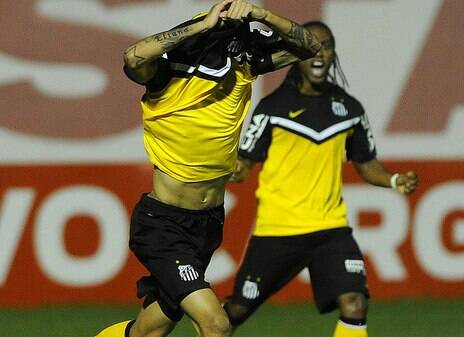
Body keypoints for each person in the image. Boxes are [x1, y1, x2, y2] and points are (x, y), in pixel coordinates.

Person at [94, 1, 321, 337]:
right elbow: (134, 56)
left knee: (149, 331)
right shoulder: (166, 76)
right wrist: (202, 24)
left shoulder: (245, 68)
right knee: (216, 324)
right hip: (163, 225)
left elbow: (309, 46)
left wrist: (265, 16)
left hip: (207, 225)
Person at [224, 21, 418, 337]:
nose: (319, 54)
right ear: (295, 54)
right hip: (279, 228)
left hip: (330, 228)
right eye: (311, 47)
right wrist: (214, 167)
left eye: (326, 46)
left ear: (333, 54)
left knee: (355, 303)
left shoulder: (349, 109)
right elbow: (243, 166)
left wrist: (395, 180)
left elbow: (366, 164)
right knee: (235, 312)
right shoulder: (272, 107)